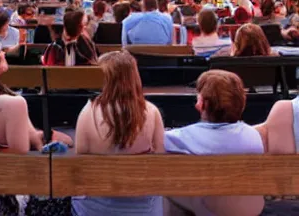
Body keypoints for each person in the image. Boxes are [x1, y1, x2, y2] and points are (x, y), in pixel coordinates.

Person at [72, 50, 164, 215]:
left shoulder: (87, 112)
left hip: (96, 207)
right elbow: (159, 157)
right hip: (142, 207)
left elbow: (81, 159)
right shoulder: (151, 112)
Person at [164, 70, 264, 216]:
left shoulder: (181, 138)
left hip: (210, 209)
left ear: (201, 104)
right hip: (251, 208)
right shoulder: (254, 135)